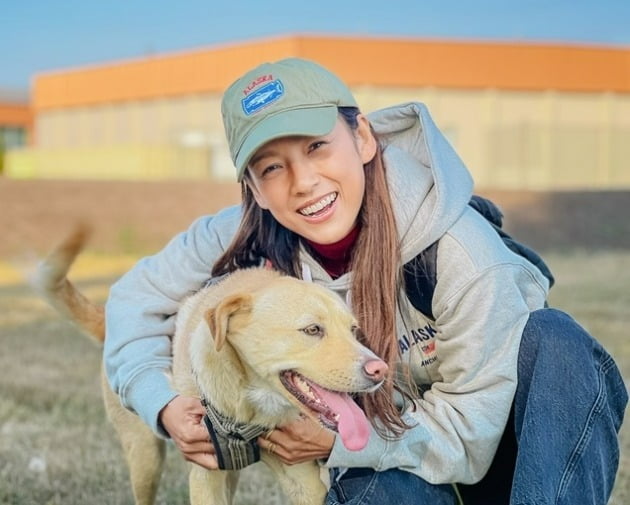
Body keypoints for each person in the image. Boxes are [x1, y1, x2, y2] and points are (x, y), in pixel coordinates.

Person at [104, 57, 627, 504]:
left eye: (315, 147)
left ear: (361, 137)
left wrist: (341, 442)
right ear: (254, 190)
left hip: (508, 470)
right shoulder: (243, 233)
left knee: (559, 344)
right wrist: (162, 403)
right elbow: (132, 300)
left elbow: (473, 432)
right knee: (370, 488)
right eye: (271, 167)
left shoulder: (462, 252)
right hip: (407, 472)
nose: (304, 182)